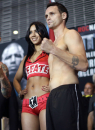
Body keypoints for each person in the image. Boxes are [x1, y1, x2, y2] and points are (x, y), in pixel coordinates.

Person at [41, 2, 88, 130]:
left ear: (63, 15)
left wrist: (53, 50)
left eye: (52, 14)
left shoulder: (70, 34)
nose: (48, 18)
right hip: (53, 97)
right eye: (46, 16)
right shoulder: (54, 43)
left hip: (68, 93)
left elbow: (84, 65)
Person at [13, 21, 50, 130]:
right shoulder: (26, 58)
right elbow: (16, 79)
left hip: (45, 100)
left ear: (42, 33)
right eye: (30, 32)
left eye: (36, 31)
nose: (33, 35)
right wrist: (19, 91)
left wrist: (53, 85)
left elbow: (60, 73)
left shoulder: (50, 53)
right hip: (28, 102)